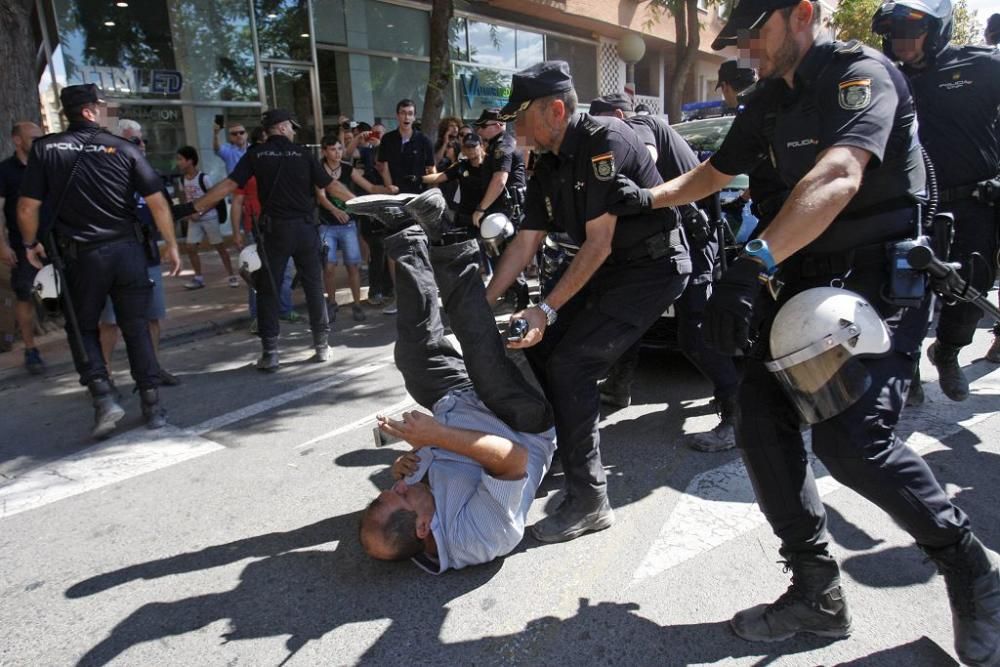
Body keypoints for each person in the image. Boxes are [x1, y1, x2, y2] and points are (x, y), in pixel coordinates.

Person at [609, 1, 1000, 661]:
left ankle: (969, 565)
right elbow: (716, 171)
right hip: (801, 276)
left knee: (853, 442)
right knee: (761, 417)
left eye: (756, 35)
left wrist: (755, 258)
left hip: (879, 277)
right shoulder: (768, 99)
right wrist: (648, 198)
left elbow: (840, 173)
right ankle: (816, 589)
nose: (749, 53)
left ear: (800, 15)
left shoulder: (860, 74)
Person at [485, 61, 692, 544]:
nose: (514, 127)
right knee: (537, 350)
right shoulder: (549, 160)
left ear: (555, 110)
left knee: (573, 364)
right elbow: (525, 241)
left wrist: (545, 309)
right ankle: (558, 446)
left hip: (651, 270)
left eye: (521, 116)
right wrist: (481, 300)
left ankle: (590, 500)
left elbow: (598, 243)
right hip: (611, 270)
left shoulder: (606, 142)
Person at [349, 190, 556, 572]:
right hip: (520, 427)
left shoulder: (418, 513)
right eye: (399, 496)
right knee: (482, 355)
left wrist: (414, 461)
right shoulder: (479, 539)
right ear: (425, 526)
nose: (395, 486)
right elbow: (513, 459)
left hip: (458, 410)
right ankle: (447, 234)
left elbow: (436, 463)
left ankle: (407, 236)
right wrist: (434, 437)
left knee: (414, 356)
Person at [17, 84, 181, 438]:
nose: (109, 112)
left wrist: (29, 244)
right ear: (90, 112)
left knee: (83, 327)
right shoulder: (124, 148)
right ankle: (152, 404)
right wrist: (171, 244)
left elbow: (27, 206)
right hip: (127, 253)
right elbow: (157, 202)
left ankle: (103, 397)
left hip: (81, 257)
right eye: (103, 107)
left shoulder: (45, 150)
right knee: (136, 325)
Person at [589, 92, 740, 452]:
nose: (603, 135)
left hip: (693, 240)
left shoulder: (640, 126)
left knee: (694, 333)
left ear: (619, 115)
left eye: (605, 125)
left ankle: (738, 414)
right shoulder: (639, 128)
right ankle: (618, 385)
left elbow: (646, 163)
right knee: (628, 309)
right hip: (669, 242)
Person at [872, 0, 1000, 396]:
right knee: (902, 287)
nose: (901, 41)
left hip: (972, 202)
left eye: (911, 31)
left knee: (972, 284)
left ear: (938, 29)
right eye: (893, 33)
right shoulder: (880, 75)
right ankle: (905, 365)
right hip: (908, 203)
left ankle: (946, 352)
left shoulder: (982, 66)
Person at [174, 109, 355, 371]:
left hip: (275, 233)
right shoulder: (303, 154)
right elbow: (333, 186)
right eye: (291, 126)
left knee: (267, 290)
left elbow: (227, 186)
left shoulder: (256, 154)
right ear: (281, 127)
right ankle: (321, 346)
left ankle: (270, 353)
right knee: (314, 287)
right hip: (306, 231)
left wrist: (191, 208)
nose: (293, 130)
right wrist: (362, 203)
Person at [98, 124, 180, 387]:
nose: (141, 144)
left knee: (152, 316)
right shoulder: (104, 176)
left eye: (143, 139)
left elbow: (165, 209)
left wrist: (170, 242)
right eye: (134, 140)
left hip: (147, 253)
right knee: (110, 320)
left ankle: (153, 368)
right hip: (115, 256)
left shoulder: (150, 175)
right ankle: (104, 375)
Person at [318, 134, 394, 323]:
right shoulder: (319, 169)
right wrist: (336, 211)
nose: (337, 153)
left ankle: (357, 305)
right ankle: (332, 303)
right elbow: (320, 196)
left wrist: (388, 188)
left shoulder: (347, 168)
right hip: (326, 225)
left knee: (353, 265)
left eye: (339, 148)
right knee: (329, 267)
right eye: (333, 149)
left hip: (349, 224)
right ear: (324, 151)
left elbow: (369, 187)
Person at [376, 100, 436, 316]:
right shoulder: (388, 139)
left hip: (418, 199)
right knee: (394, 246)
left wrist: (430, 194)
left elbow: (432, 169)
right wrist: (388, 185)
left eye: (410, 113)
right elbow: (383, 166)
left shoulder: (424, 141)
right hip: (394, 198)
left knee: (421, 246)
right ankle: (399, 297)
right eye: (403, 113)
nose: (407, 117)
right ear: (397, 115)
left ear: (415, 116)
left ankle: (426, 294)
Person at [0, 121, 46, 374]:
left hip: (52, 244)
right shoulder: (5, 171)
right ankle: (30, 349)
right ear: (18, 140)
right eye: (33, 137)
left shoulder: (48, 167)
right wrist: (2, 245)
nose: (39, 142)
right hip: (21, 245)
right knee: (25, 295)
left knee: (61, 294)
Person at [174, 146, 238, 290]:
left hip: (209, 217)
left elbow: (214, 198)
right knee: (190, 247)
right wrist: (187, 212)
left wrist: (200, 212)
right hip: (193, 219)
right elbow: (184, 197)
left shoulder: (204, 178)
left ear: (190, 161)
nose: (178, 162)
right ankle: (198, 277)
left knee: (219, 246)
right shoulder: (182, 179)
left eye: (180, 159)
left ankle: (231, 275)